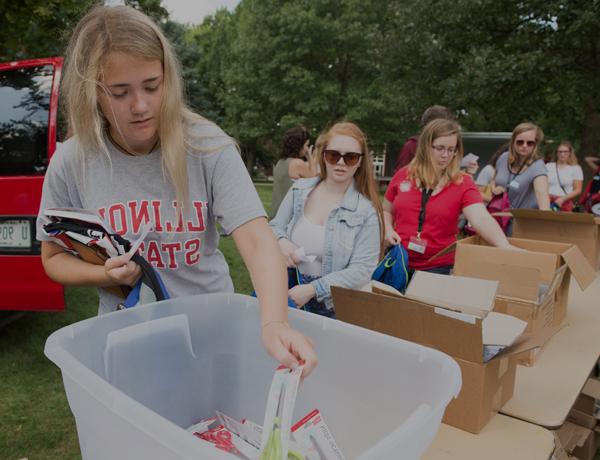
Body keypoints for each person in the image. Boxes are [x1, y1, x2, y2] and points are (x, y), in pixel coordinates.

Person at [35, 5, 316, 377]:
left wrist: (274, 322)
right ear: (93, 94)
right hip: (128, 341)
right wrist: (105, 274)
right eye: (120, 93)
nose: (141, 105)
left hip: (212, 338)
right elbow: (52, 258)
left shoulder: (207, 146)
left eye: (152, 85)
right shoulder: (72, 161)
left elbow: (257, 241)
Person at [270, 122, 383, 318]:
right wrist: (281, 240)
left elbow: (362, 270)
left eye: (350, 157)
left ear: (359, 162)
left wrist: (313, 289)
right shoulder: (299, 190)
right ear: (324, 156)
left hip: (333, 307)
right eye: (334, 155)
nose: (340, 162)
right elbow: (275, 226)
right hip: (286, 291)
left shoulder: (367, 212)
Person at [384, 119, 515, 275]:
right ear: (426, 147)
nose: (445, 155)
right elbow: (387, 210)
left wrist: (503, 245)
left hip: (436, 266)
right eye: (439, 148)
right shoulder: (403, 175)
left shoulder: (463, 182)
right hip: (398, 259)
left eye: (451, 149)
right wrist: (388, 229)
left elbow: (481, 218)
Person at [491, 122, 550, 215]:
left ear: (535, 144)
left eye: (530, 143)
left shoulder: (538, 166)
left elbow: (542, 195)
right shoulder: (503, 158)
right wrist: (495, 188)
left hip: (521, 222)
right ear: (513, 141)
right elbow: (493, 180)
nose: (524, 145)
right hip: (498, 218)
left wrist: (546, 218)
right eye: (520, 142)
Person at [270, 126, 318, 217]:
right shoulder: (297, 163)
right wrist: (310, 157)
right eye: (306, 145)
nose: (307, 148)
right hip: (287, 216)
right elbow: (314, 179)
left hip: (275, 213)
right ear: (299, 145)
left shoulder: (280, 162)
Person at [394, 105, 455, 172]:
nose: (445, 155)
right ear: (426, 127)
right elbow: (400, 176)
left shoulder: (452, 146)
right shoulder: (412, 146)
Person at [546, 141, 583, 212]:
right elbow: (543, 184)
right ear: (556, 153)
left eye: (565, 152)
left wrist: (562, 199)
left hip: (564, 202)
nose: (562, 154)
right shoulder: (548, 166)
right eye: (560, 152)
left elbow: (578, 190)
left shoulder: (576, 168)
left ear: (570, 153)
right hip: (547, 200)